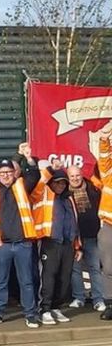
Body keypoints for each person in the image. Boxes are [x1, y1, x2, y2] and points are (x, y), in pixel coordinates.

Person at [0, 155, 41, 327]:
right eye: (2, 172)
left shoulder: (22, 185)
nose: (6, 175)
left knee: (27, 281)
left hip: (23, 243)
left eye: (9, 172)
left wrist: (29, 158)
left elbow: (34, 175)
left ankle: (30, 314)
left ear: (15, 173)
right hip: (3, 245)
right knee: (0, 281)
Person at [32, 162, 80, 325]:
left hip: (67, 243)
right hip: (49, 241)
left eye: (62, 182)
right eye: (57, 182)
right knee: (48, 276)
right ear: (51, 183)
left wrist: (77, 245)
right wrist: (50, 169)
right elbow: (40, 184)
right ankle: (44, 309)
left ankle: (56, 307)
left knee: (64, 277)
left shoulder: (68, 199)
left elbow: (75, 221)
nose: (60, 185)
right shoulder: (43, 193)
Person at [67, 164, 104, 311]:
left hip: (91, 235)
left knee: (94, 268)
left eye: (77, 175)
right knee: (75, 269)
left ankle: (98, 299)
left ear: (81, 175)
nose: (75, 179)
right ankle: (78, 297)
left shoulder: (93, 189)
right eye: (72, 176)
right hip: (74, 238)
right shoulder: (65, 193)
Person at [91, 121, 112, 319]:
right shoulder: (108, 173)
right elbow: (104, 157)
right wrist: (105, 137)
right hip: (109, 226)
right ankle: (110, 304)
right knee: (109, 266)